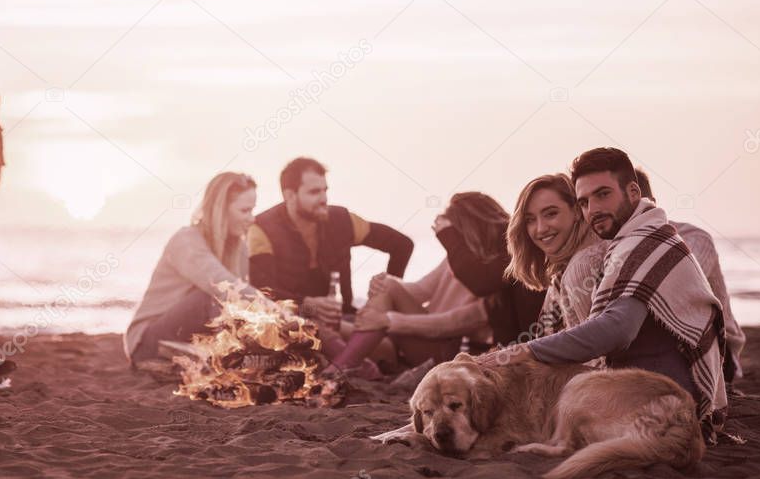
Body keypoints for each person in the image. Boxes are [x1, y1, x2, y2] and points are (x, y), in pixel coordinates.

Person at [491, 148, 727, 440]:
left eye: (603, 195)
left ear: (632, 191)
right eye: (585, 201)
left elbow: (616, 331)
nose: (594, 209)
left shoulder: (638, 244)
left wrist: (525, 350)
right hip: (646, 392)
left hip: (659, 401)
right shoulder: (630, 242)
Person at [328, 192, 544, 373]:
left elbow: (454, 322)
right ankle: (353, 366)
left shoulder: (495, 269)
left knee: (378, 306)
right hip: (418, 336)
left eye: (456, 232)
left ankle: (341, 369)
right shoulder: (458, 259)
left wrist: (389, 320)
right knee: (324, 324)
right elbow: (420, 291)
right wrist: (386, 282)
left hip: (447, 351)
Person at [247, 157, 413, 329]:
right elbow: (260, 291)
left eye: (325, 190)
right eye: (314, 192)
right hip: (292, 325)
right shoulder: (261, 229)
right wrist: (306, 304)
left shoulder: (342, 219)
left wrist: (383, 297)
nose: (324, 198)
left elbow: (402, 245)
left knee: (392, 341)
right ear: (289, 195)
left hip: (347, 319)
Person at [126, 172, 259, 363]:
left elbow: (242, 304)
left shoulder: (239, 248)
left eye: (253, 210)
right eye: (245, 211)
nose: (252, 219)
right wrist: (277, 311)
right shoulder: (186, 240)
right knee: (214, 297)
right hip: (147, 342)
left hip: (190, 337)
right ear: (220, 210)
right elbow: (223, 284)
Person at [635, 168, 745, 380]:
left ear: (653, 204)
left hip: (718, 348)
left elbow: (675, 287)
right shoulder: (617, 245)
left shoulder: (693, 238)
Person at [506, 173, 606, 338]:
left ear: (576, 211)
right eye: (530, 220)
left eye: (551, 214)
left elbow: (594, 351)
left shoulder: (585, 263)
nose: (540, 229)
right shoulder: (565, 268)